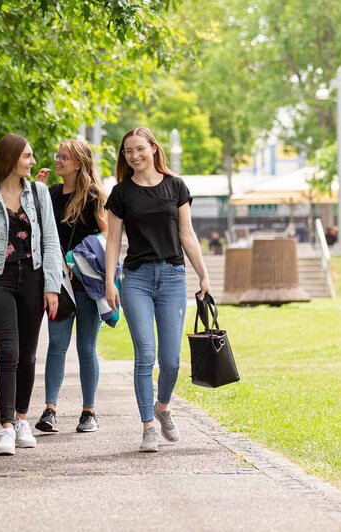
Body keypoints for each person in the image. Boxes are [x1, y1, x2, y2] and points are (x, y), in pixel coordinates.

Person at [104, 127, 211, 453]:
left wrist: (203, 274)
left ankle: (162, 407)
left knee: (172, 360)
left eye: (139, 149)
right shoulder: (121, 193)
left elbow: (187, 234)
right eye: (127, 152)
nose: (134, 156)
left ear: (153, 148)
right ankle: (148, 426)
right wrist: (110, 281)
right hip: (136, 278)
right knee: (145, 356)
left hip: (173, 278)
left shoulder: (175, 186)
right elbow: (112, 240)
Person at [0, 134, 61, 456]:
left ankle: (23, 419)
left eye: (31, 156)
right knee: (8, 352)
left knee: (29, 354)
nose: (32, 162)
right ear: (9, 159)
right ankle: (6, 426)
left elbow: (51, 240)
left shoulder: (39, 193)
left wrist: (52, 286)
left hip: (33, 278)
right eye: (27, 156)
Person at [32, 139, 108, 434]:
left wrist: (83, 260)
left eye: (64, 157)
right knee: (56, 345)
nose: (58, 161)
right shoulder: (50, 194)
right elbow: (37, 232)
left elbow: (108, 237)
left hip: (87, 284)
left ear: (78, 163)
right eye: (58, 156)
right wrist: (36, 192)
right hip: (58, 285)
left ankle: (89, 412)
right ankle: (50, 409)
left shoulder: (93, 196)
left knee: (87, 347)